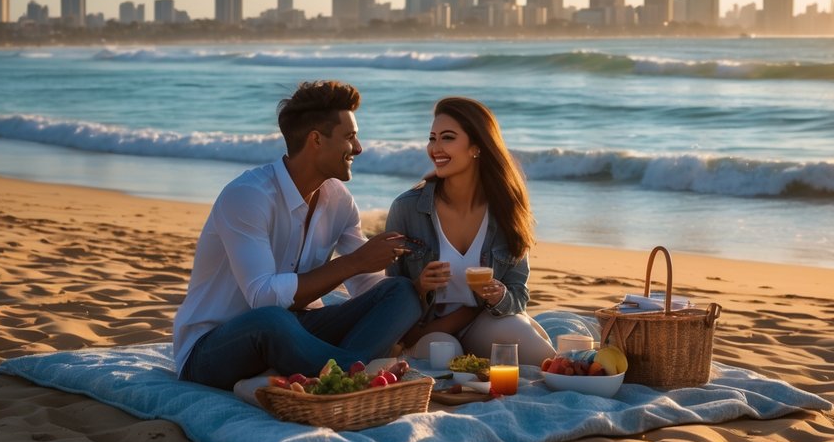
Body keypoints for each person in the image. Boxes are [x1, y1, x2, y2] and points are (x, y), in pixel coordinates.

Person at [173, 80, 422, 390]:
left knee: (400, 293)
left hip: (299, 332)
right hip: (214, 347)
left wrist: (415, 293)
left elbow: (365, 286)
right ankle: (354, 372)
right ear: (316, 139)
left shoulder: (339, 200)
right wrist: (356, 261)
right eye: (350, 137)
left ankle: (339, 370)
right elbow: (262, 296)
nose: (358, 148)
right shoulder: (248, 196)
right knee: (271, 319)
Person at [386, 96, 555, 366]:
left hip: (481, 320)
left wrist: (499, 295)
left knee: (543, 359)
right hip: (430, 327)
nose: (435, 148)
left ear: (476, 147)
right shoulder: (407, 209)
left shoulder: (504, 210)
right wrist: (419, 287)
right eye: (432, 138)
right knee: (446, 356)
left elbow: (518, 295)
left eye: (448, 138)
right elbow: (391, 293)